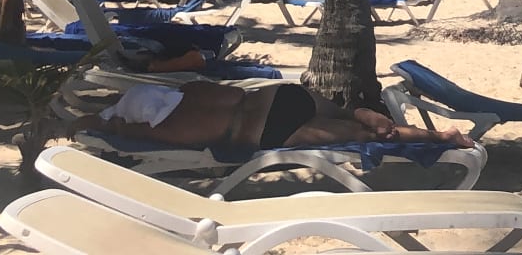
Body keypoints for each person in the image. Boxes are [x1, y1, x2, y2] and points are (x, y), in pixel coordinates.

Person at [77, 79, 473, 151]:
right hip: (278, 96)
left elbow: (117, 128)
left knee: (367, 137)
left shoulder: (160, 130)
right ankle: (358, 110)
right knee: (347, 117)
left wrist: (99, 123)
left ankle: (442, 137)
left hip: (259, 129)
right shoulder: (187, 91)